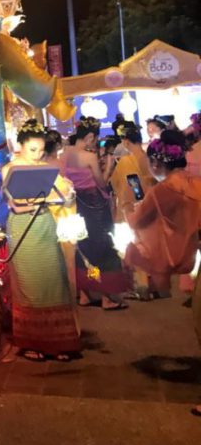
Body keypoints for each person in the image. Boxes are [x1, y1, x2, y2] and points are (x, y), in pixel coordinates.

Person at [2, 120, 81, 361]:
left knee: (54, 281)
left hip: (45, 226)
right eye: (32, 150)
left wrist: (67, 194)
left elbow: (63, 199)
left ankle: (59, 342)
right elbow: (15, 203)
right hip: (22, 227)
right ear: (21, 146)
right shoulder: (10, 168)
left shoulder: (48, 169)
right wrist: (46, 200)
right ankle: (31, 341)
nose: (36, 155)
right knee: (30, 285)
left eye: (40, 150)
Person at [60, 117, 129, 309]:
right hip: (95, 205)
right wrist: (108, 166)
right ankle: (107, 297)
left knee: (84, 247)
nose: (95, 142)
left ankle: (85, 294)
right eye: (95, 138)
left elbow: (62, 180)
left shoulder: (65, 154)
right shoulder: (89, 157)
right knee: (103, 246)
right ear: (89, 137)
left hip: (76, 205)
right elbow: (101, 182)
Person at [124, 130, 201, 299]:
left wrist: (128, 209)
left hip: (176, 254)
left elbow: (137, 221)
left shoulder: (161, 190)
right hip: (193, 249)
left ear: (155, 164)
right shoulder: (196, 182)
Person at [109, 116, 156, 223]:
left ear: (126, 142)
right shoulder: (149, 158)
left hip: (132, 209)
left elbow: (118, 185)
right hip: (150, 207)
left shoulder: (125, 161)